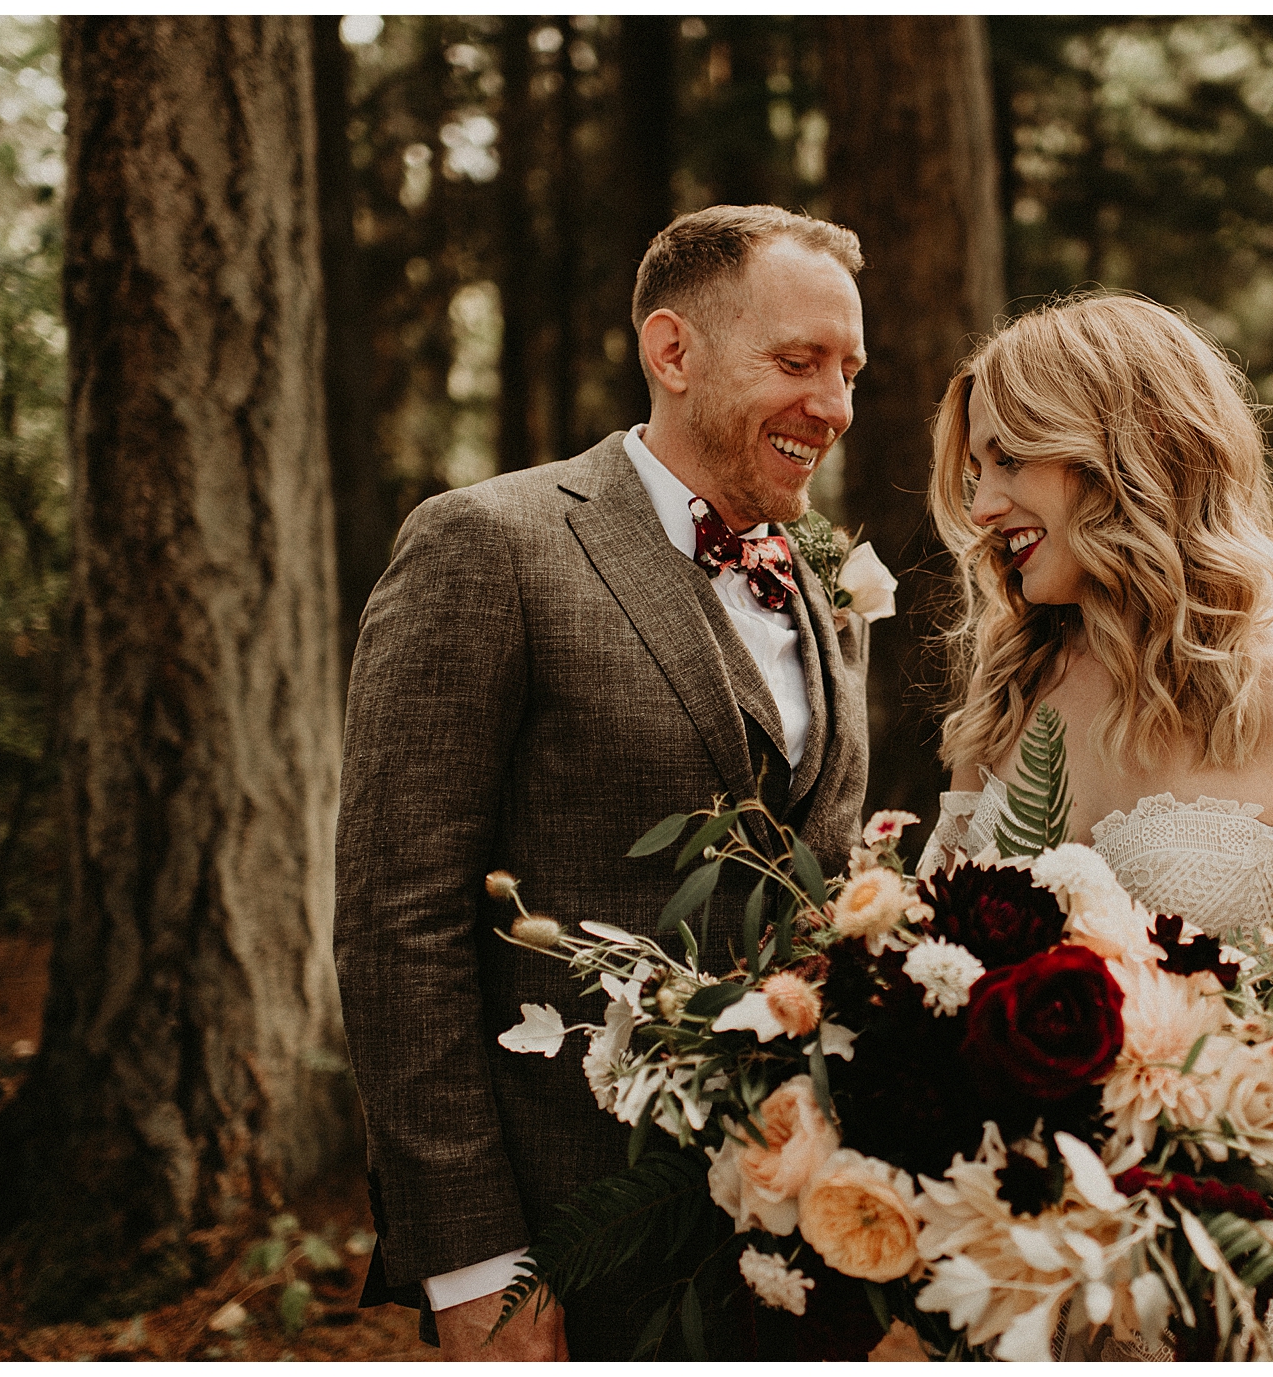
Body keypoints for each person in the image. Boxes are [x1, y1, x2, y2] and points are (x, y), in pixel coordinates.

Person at [335, 205, 874, 1360]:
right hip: (564, 1246)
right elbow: (398, 925)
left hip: (793, 1239)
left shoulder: (825, 586)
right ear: (670, 352)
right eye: (795, 362)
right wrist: (477, 1263)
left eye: (846, 370)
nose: (831, 406)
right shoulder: (489, 544)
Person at [921, 289, 1273, 969]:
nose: (985, 507)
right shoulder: (1008, 691)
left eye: (1011, 459)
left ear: (1142, 443)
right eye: (977, 472)